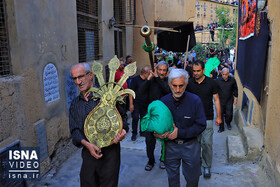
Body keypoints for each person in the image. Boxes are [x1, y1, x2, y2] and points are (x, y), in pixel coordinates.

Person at [69, 63, 126, 187]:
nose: (78, 81)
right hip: (88, 153)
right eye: (74, 78)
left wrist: (122, 132)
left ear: (90, 75)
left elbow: (123, 120)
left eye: (81, 77)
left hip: (110, 153)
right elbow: (74, 130)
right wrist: (87, 144)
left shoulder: (107, 96)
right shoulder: (75, 104)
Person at [155, 69, 206, 187]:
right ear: (169, 84)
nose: (177, 90)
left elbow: (201, 125)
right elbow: (155, 124)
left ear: (186, 84)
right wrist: (156, 134)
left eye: (181, 86)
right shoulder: (163, 102)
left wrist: (180, 132)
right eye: (174, 86)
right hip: (170, 147)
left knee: (193, 179)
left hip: (191, 146)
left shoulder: (195, 100)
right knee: (172, 180)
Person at [186, 60, 222, 178]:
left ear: (203, 70)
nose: (195, 73)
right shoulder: (189, 83)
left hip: (207, 117)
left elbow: (216, 100)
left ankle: (207, 166)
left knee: (207, 143)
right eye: (194, 71)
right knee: (195, 143)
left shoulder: (212, 83)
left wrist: (219, 117)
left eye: (198, 71)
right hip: (193, 119)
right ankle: (196, 162)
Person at [140, 61, 171, 171]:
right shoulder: (151, 81)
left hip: (164, 116)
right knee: (149, 141)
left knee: (165, 141)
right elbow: (141, 91)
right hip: (151, 117)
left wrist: (157, 78)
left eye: (164, 70)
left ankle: (163, 160)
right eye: (160, 70)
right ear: (156, 70)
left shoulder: (168, 81)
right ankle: (151, 160)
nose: (162, 72)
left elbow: (167, 91)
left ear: (167, 72)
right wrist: (149, 78)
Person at [129, 66, 151, 141]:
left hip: (145, 103)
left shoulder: (148, 81)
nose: (150, 75)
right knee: (135, 118)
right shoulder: (135, 80)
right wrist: (131, 104)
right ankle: (134, 133)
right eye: (149, 73)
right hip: (136, 103)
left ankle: (142, 132)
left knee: (143, 118)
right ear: (144, 73)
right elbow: (130, 92)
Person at [216, 67, 238, 132]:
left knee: (229, 114)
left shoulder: (232, 80)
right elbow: (215, 90)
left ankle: (228, 123)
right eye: (223, 74)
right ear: (221, 74)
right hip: (220, 100)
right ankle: (221, 127)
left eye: (226, 74)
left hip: (229, 100)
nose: (225, 76)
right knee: (221, 114)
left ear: (228, 74)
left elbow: (235, 89)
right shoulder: (218, 81)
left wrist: (235, 98)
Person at [115, 58, 130, 133]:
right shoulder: (115, 72)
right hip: (119, 96)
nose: (122, 66)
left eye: (123, 64)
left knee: (124, 110)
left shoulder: (123, 71)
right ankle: (122, 126)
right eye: (121, 65)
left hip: (125, 95)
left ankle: (124, 124)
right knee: (121, 112)